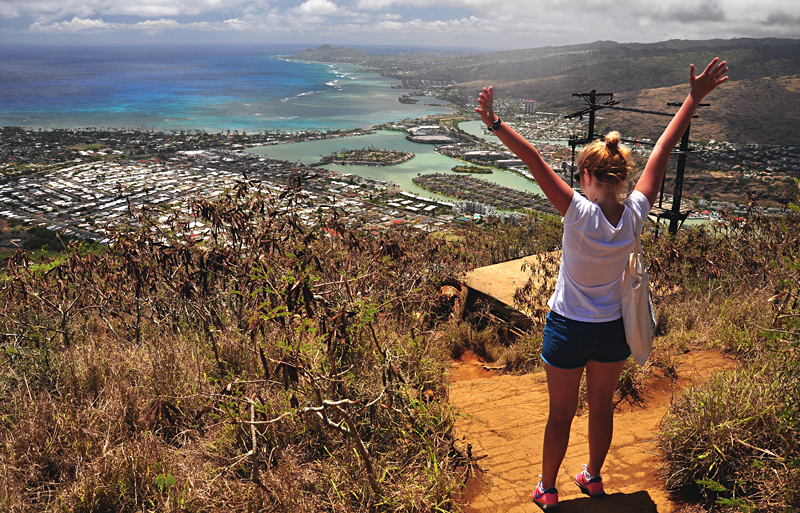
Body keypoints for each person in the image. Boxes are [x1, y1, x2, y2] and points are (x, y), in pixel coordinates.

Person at [475, 57, 728, 510]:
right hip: (613, 329)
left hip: (568, 327)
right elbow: (663, 152)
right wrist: (693, 98)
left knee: (559, 414)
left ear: (587, 177)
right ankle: (593, 477)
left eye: (578, 176)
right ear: (621, 178)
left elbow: (532, 158)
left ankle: (547, 488)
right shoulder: (634, 214)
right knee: (603, 407)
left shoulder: (578, 213)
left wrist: (494, 121)